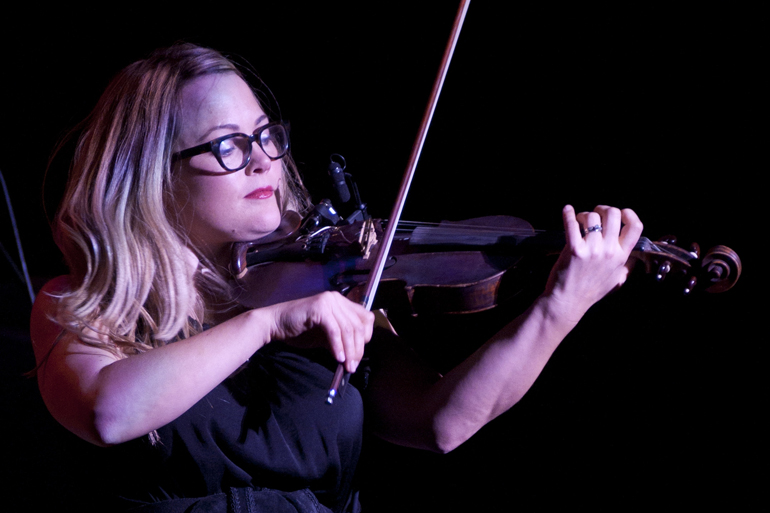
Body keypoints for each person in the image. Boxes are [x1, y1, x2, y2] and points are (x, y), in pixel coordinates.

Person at [30, 43, 643, 512]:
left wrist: (561, 306)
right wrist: (263, 325)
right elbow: (108, 413)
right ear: (154, 176)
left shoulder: (323, 288)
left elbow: (441, 422)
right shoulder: (85, 307)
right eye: (227, 147)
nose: (265, 159)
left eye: (265, 135)